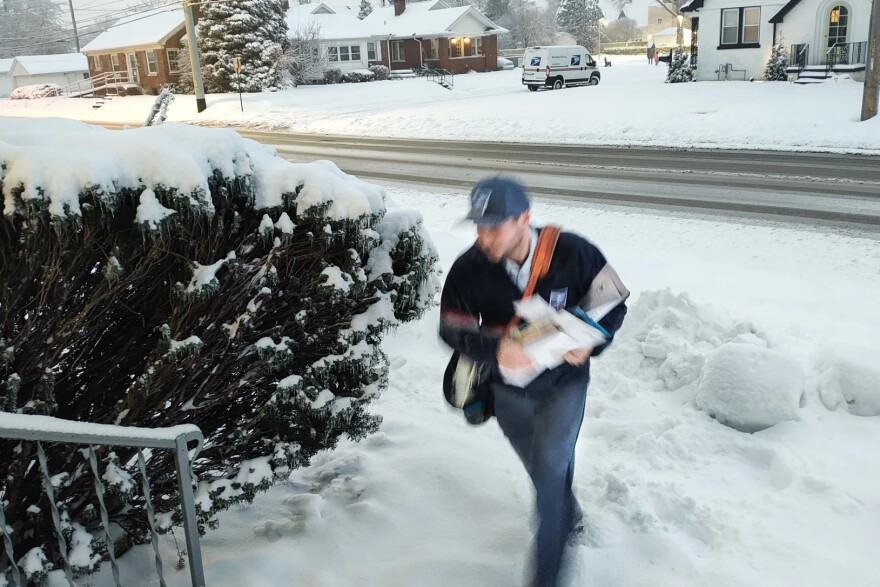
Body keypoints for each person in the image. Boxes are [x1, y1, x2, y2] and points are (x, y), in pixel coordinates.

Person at [439, 176, 629, 587]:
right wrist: (495, 350)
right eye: (478, 226)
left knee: (547, 485)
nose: (484, 236)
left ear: (524, 218)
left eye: (495, 225)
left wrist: (591, 345)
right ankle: (567, 512)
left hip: (564, 386)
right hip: (508, 393)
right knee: (543, 469)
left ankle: (547, 573)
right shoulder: (469, 267)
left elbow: (612, 303)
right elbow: (451, 328)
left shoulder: (573, 252)